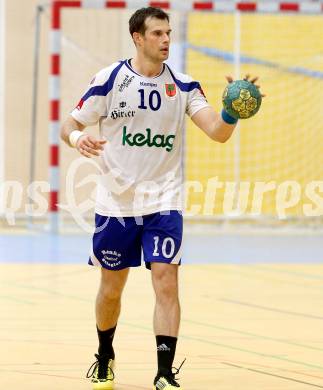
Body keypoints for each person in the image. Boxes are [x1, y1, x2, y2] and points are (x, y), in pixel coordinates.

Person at [60, 6, 262, 390]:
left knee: (167, 282)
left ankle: (165, 373)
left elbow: (217, 133)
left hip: (164, 202)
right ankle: (105, 355)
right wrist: (77, 138)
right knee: (111, 289)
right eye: (157, 34)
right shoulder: (109, 79)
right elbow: (69, 123)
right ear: (138, 38)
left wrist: (232, 111)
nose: (166, 39)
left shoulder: (184, 86)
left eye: (168, 32)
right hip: (116, 204)